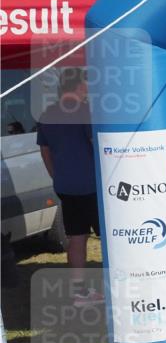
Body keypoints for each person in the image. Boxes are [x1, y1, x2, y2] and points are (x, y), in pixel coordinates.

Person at [36, 68, 102, 306]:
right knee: (111, 237)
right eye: (86, 83)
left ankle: (79, 293)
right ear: (77, 85)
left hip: (65, 185)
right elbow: (96, 144)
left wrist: (57, 176)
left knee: (76, 237)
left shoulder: (47, 114)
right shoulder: (85, 111)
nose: (88, 87)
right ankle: (119, 289)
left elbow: (45, 151)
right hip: (92, 184)